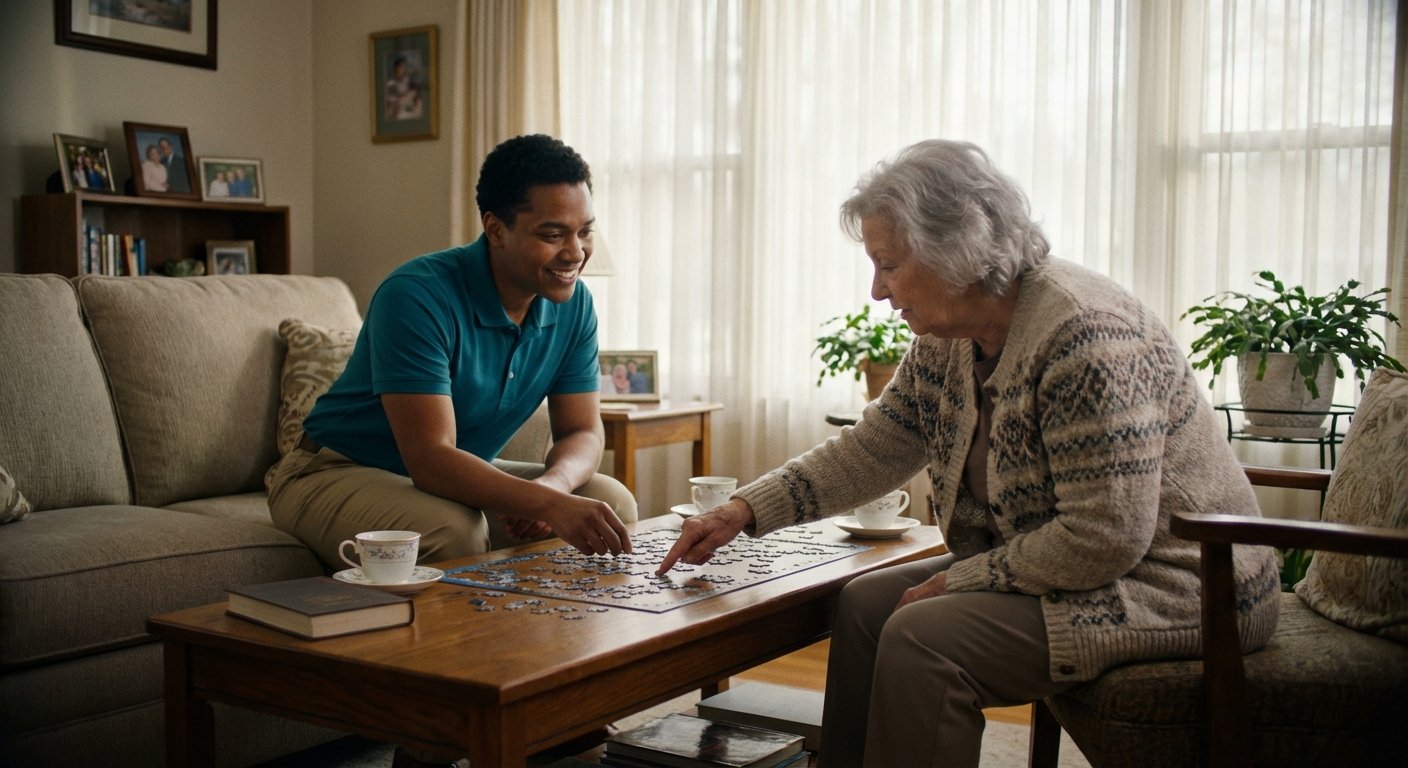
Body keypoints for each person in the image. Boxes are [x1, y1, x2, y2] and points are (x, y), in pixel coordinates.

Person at [656, 140, 1280, 767]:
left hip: (1182, 584)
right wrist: (744, 510)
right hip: (1088, 567)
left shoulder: (1083, 335)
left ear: (957, 250)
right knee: (866, 604)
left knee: (924, 639)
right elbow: (874, 446)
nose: (876, 290)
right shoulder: (947, 338)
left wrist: (961, 577)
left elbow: (1105, 536)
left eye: (889, 265)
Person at [268, 134, 636, 575]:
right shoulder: (418, 295)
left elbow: (581, 429)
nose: (576, 253)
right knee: (452, 531)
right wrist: (545, 501)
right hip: (333, 470)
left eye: (584, 232)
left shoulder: (575, 305)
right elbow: (431, 460)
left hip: (447, 472)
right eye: (553, 234)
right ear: (496, 228)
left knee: (609, 500)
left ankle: (565, 640)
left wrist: (553, 488)